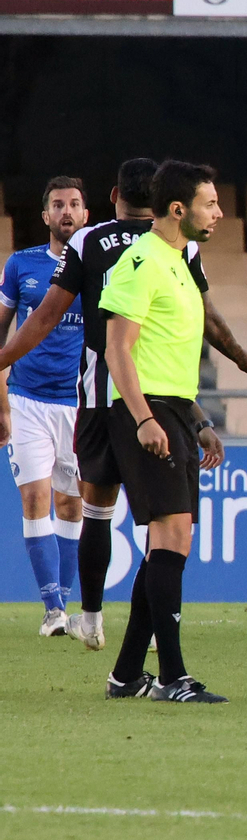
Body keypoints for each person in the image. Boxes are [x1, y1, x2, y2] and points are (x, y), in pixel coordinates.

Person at [0, 158, 247, 659]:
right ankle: (150, 650)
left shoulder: (91, 241)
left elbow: (44, 318)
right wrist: (238, 360)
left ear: (112, 195)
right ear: (162, 200)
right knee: (166, 528)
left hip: (99, 398)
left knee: (96, 511)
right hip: (151, 401)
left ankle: (92, 619)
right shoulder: (173, 247)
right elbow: (208, 320)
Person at [100, 160, 232, 704]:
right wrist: (145, 420)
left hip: (172, 411)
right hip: (143, 412)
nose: (219, 213)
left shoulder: (178, 261)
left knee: (168, 543)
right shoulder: (140, 262)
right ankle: (173, 677)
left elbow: (165, 358)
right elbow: (118, 350)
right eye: (210, 204)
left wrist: (197, 421)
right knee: (172, 536)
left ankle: (129, 675)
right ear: (179, 210)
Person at [0, 177, 88, 636]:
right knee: (35, 499)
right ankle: (53, 610)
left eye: (74, 203)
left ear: (86, 214)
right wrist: (1, 403)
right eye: (58, 204)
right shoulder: (22, 265)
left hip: (77, 405)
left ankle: (66, 603)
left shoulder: (95, 267)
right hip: (27, 400)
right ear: (45, 216)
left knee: (71, 506)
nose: (66, 211)